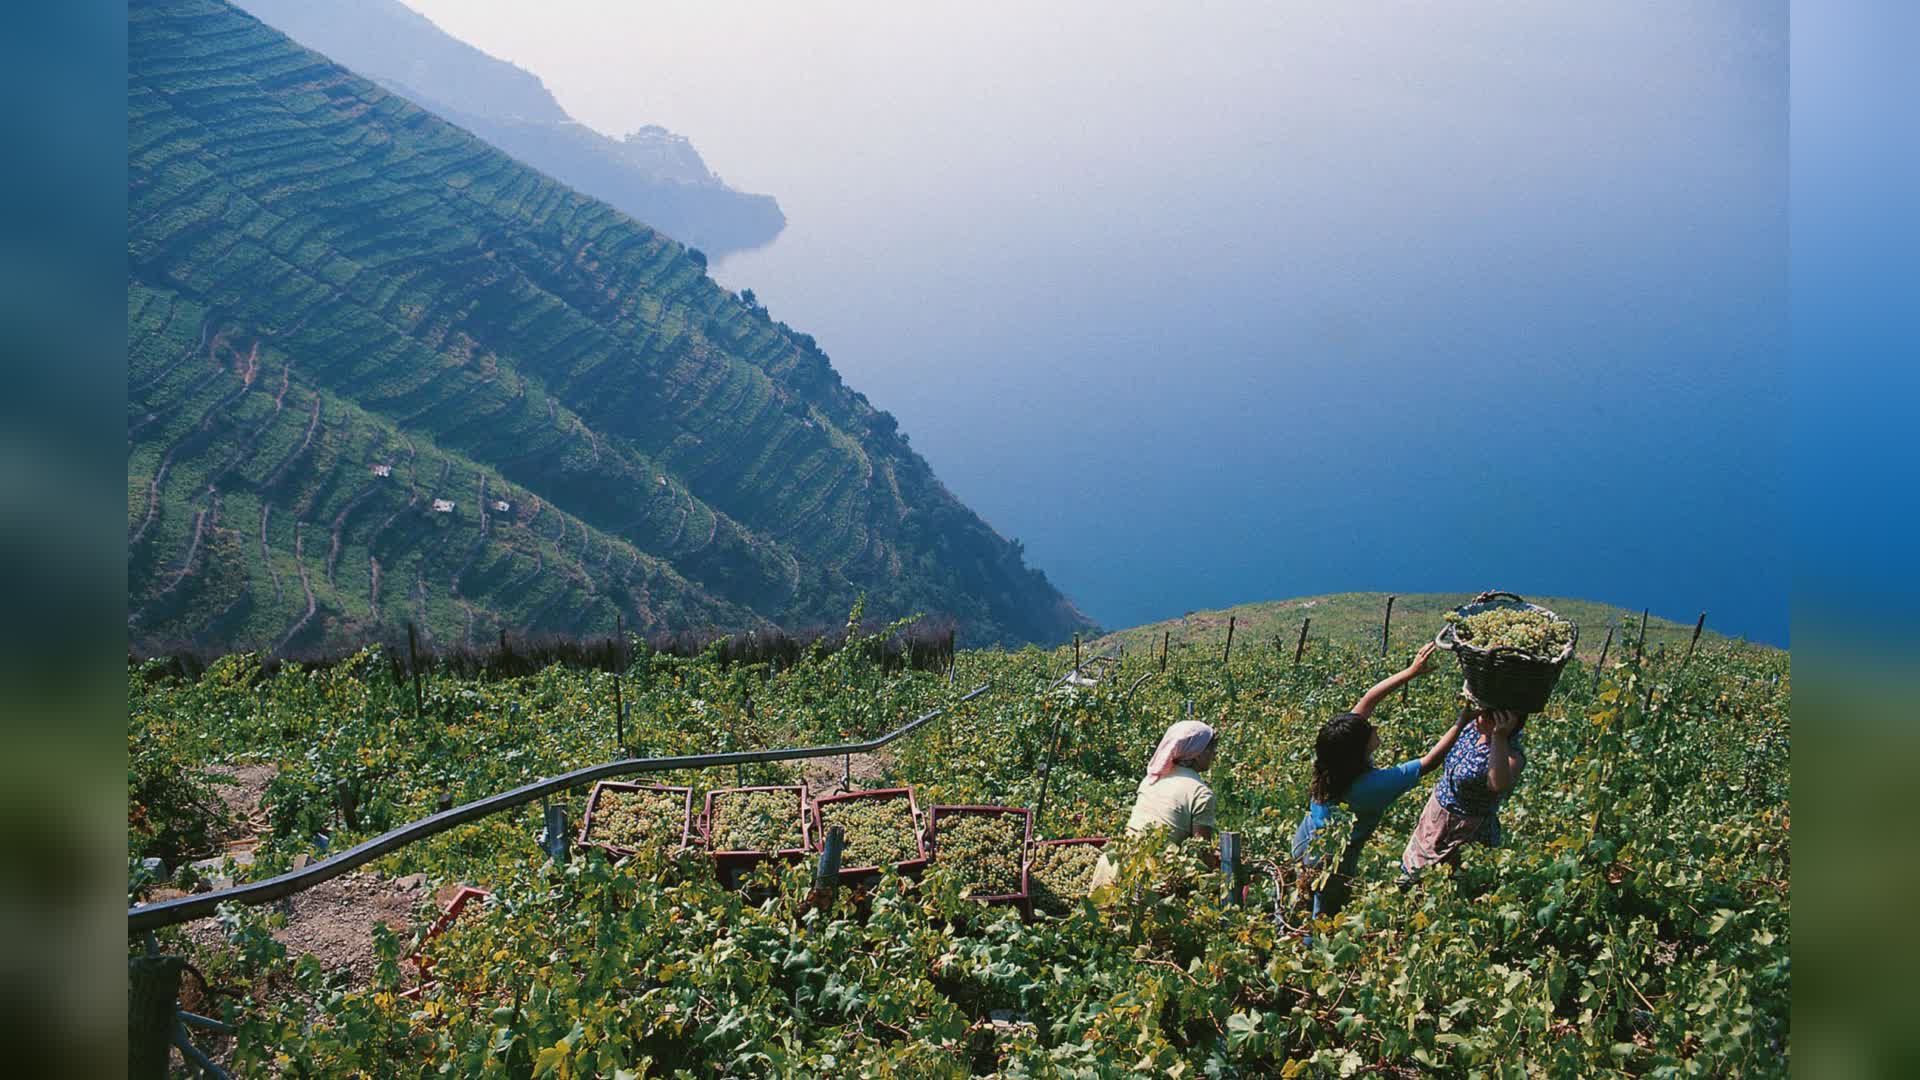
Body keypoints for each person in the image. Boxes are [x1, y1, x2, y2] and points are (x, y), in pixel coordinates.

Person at [1290, 643, 1466, 919]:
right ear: (1359, 750)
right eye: (1370, 731)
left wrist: (1411, 672)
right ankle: (1309, 954)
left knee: (1299, 899)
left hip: (1305, 839)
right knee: (1323, 916)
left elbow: (1368, 700)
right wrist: (1464, 718)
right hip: (1333, 864)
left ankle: (1289, 933)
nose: (1375, 726)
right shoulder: (1369, 787)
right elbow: (1430, 761)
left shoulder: (1331, 754)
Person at [1087, 719, 1218, 892]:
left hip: (1114, 865)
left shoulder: (1152, 779)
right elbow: (1200, 855)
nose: (1214, 755)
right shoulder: (1201, 794)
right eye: (1211, 750)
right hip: (1150, 879)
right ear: (1197, 753)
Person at [1399, 704, 1528, 879]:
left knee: (1446, 882)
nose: (1478, 718)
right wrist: (1464, 717)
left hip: (1464, 830)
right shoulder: (1472, 730)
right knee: (1413, 871)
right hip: (1436, 816)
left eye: (1484, 716)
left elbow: (1496, 784)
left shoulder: (1512, 755)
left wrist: (1499, 736)